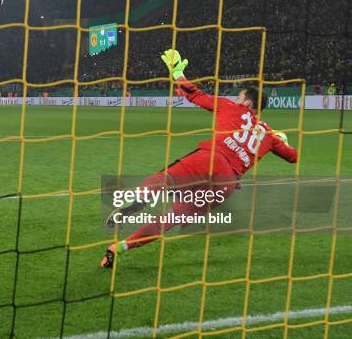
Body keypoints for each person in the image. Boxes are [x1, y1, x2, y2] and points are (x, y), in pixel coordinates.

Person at [101, 49, 299, 268]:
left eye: (239, 96)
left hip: (211, 159)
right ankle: (120, 247)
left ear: (248, 103)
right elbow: (293, 158)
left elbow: (194, 94)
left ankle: (138, 199)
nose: (236, 98)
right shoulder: (269, 134)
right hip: (227, 183)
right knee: (172, 218)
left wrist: (177, 73)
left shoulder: (230, 107)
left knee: (163, 180)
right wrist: (282, 139)